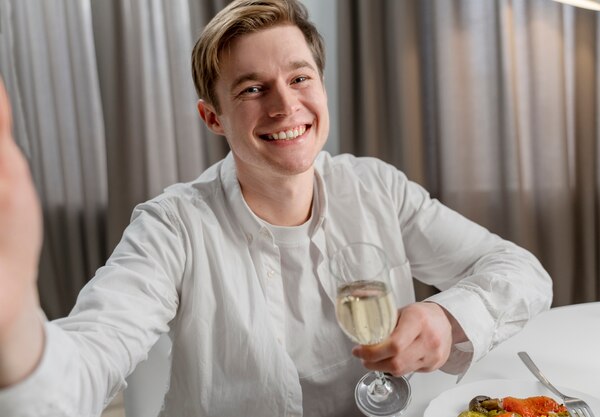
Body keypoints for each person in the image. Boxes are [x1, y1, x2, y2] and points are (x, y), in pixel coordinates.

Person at [0, 0, 552, 416]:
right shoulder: (172, 226)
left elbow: (522, 272)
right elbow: (91, 356)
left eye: (299, 78)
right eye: (251, 89)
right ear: (212, 118)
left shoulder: (377, 187)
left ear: (322, 89)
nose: (286, 105)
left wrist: (447, 315)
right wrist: (13, 325)